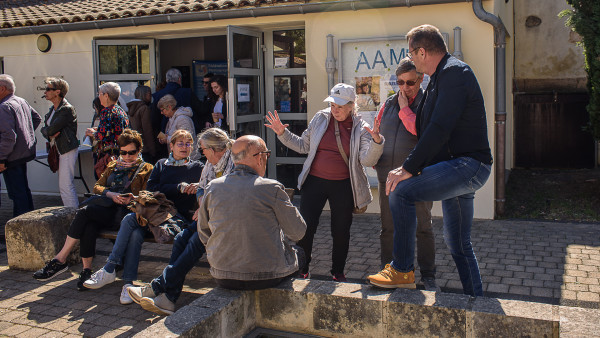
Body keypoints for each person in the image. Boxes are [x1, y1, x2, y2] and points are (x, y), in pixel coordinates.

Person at [368, 25, 493, 297]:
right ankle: (477, 301)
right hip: (456, 168)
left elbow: (439, 128)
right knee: (458, 243)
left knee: (401, 192)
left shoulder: (455, 73)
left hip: (468, 166)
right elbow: (424, 129)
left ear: (422, 51)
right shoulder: (435, 80)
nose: (411, 60)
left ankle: (401, 268)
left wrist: (408, 168)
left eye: (412, 54)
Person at [265, 83, 384, 282]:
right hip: (315, 182)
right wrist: (281, 133)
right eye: (332, 105)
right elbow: (303, 146)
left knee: (340, 231)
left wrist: (377, 143)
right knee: (306, 228)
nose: (335, 109)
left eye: (339, 106)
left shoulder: (361, 127)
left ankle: (338, 272)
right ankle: (302, 268)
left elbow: (367, 160)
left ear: (351, 106)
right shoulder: (320, 117)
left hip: (344, 185)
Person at [82, 130, 203, 305]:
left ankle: (112, 271)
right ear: (171, 146)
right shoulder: (161, 164)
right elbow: (151, 188)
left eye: (188, 143)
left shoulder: (197, 167)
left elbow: (207, 188)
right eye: (180, 143)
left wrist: (198, 187)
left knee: (132, 224)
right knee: (133, 226)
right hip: (155, 213)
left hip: (177, 219)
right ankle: (127, 283)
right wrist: (178, 187)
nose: (184, 147)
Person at [126, 128, 235, 315]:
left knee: (193, 243)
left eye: (203, 149)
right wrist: (202, 206)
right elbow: (202, 189)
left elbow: (229, 196)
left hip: (227, 220)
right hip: (207, 216)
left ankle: (158, 289)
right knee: (180, 239)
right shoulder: (210, 164)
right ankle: (168, 298)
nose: (201, 153)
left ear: (215, 149)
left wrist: (204, 209)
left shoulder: (233, 165)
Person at [33, 129, 153, 290]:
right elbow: (97, 186)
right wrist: (111, 194)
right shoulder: (113, 165)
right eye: (123, 152)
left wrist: (131, 197)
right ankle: (86, 271)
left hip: (126, 214)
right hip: (109, 208)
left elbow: (148, 194)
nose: (127, 157)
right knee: (88, 224)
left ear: (139, 150)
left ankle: (60, 259)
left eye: (131, 152)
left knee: (84, 213)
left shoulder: (146, 168)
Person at [200, 135, 306, 290]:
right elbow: (298, 232)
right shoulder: (271, 188)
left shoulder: (212, 187)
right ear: (260, 158)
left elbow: (203, 233)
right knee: (300, 253)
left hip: (222, 274)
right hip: (267, 275)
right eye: (267, 154)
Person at [374, 58, 438, 292]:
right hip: (388, 178)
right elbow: (378, 131)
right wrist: (375, 153)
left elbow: (421, 132)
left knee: (422, 227)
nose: (405, 87)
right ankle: (390, 270)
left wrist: (404, 109)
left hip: (416, 179)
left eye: (410, 82)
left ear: (421, 79)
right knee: (388, 228)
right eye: (399, 82)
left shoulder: (427, 102)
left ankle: (428, 275)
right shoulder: (388, 103)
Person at [0, 74, 42, 217]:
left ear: (2, 89)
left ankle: (21, 229)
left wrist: (1, 158)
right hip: (22, 154)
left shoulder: (4, 106)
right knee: (23, 190)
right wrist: (25, 136)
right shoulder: (20, 100)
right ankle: (29, 222)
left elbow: (9, 137)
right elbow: (36, 118)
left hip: (10, 157)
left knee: (17, 193)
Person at [40, 77, 80, 209]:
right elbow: (46, 129)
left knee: (66, 185)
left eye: (48, 89)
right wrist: (48, 132)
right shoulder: (54, 109)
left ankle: (73, 215)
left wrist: (48, 131)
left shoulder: (66, 109)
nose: (45, 91)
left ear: (57, 92)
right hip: (58, 149)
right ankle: (71, 214)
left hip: (66, 149)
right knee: (64, 185)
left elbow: (51, 129)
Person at [85, 82, 130, 177]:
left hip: (108, 157)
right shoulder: (120, 110)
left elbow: (100, 136)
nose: (98, 96)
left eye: (100, 94)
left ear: (106, 96)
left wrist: (92, 133)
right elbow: (114, 130)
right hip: (120, 155)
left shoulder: (106, 112)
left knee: (104, 185)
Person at [152, 68, 202, 142]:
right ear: (179, 79)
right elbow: (200, 109)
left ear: (166, 80)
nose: (162, 112)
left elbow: (154, 119)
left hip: (167, 138)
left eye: (162, 110)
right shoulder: (187, 93)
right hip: (180, 141)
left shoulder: (157, 95)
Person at [156, 94, 198, 159]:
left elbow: (186, 138)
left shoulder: (182, 119)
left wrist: (167, 139)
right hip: (179, 158)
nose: (161, 113)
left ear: (169, 107)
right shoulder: (171, 118)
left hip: (187, 158)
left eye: (162, 110)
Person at [127, 85, 157, 164]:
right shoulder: (144, 108)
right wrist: (152, 150)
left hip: (136, 146)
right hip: (145, 148)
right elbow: (147, 130)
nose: (150, 96)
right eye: (149, 94)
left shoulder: (132, 107)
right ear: (146, 94)